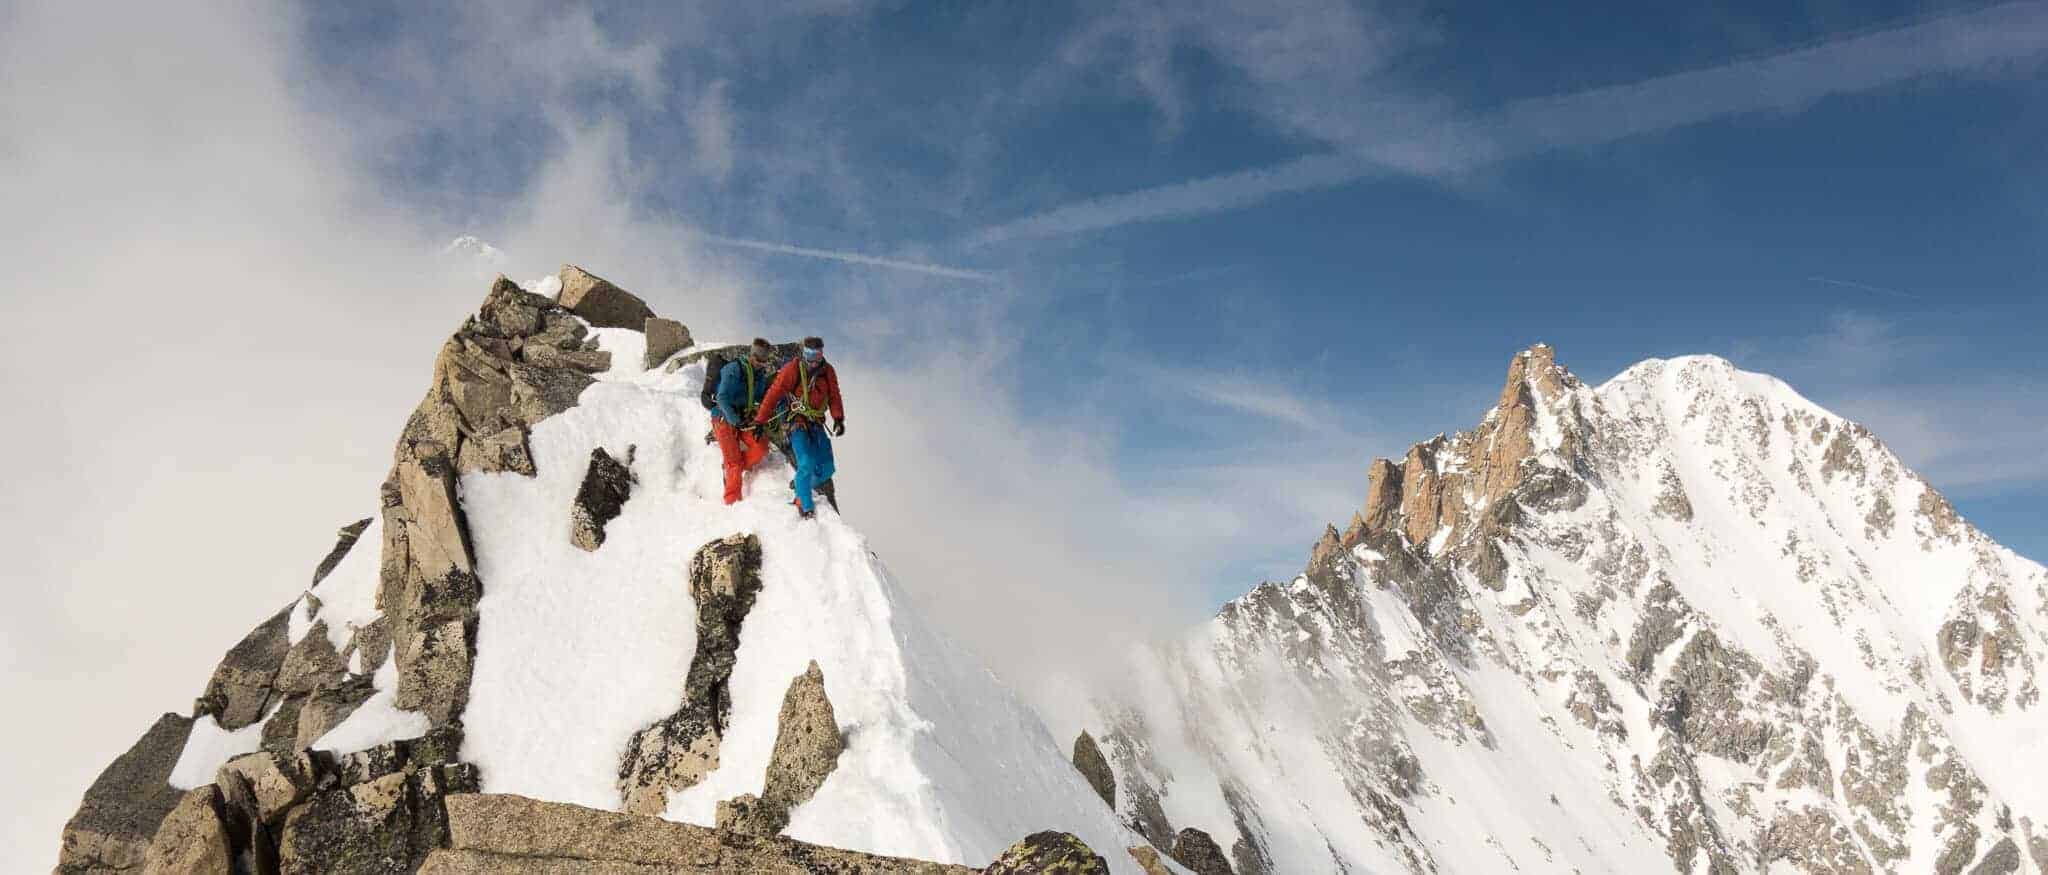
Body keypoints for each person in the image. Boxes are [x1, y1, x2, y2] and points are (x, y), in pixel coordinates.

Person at [756, 336, 844, 519]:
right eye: (809, 354)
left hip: (816, 422)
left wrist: (838, 418)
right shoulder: (792, 369)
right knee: (806, 462)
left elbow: (834, 395)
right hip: (795, 421)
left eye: (816, 355)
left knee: (827, 468)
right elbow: (773, 394)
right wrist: (760, 420)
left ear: (822, 354)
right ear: (803, 353)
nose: (813, 360)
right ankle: (804, 504)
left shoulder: (827, 372)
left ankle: (800, 484)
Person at [712, 339, 778, 505]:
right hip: (723, 418)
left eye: (763, 361)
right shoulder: (733, 370)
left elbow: (759, 398)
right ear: (751, 355)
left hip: (743, 418)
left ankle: (731, 468)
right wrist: (735, 420)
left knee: (761, 447)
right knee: (734, 464)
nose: (760, 364)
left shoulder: (759, 376)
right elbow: (721, 397)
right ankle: (732, 503)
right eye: (757, 359)